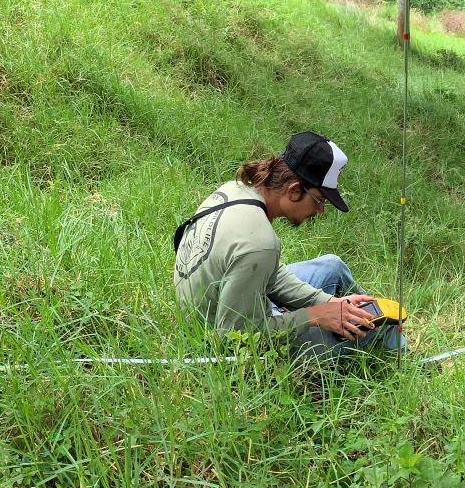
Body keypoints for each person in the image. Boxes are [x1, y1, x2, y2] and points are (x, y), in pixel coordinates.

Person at [173, 132, 403, 361]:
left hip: (223, 301)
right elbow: (235, 336)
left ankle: (349, 314)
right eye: (320, 200)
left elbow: (269, 274)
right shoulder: (260, 244)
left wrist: (329, 303)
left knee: (332, 266)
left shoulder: (234, 189)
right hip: (219, 340)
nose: (320, 210)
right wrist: (314, 316)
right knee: (373, 328)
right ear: (294, 190)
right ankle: (404, 361)